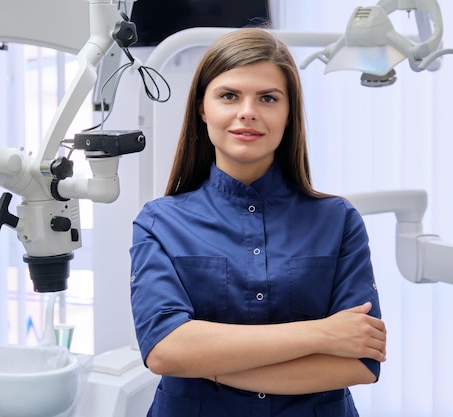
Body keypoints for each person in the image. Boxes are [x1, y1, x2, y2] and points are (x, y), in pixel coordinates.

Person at [129, 27, 387, 417]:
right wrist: (322, 333)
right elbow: (165, 351)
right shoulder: (159, 223)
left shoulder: (338, 221)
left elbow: (358, 362)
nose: (248, 111)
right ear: (203, 108)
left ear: (288, 114)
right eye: (229, 95)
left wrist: (210, 364)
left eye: (268, 98)